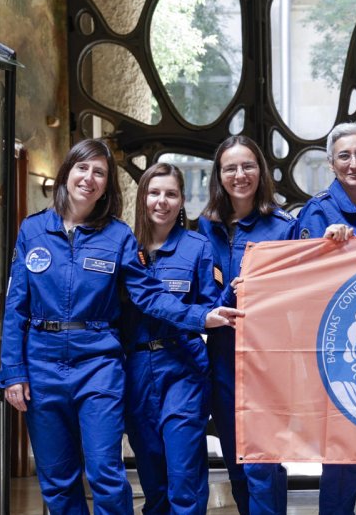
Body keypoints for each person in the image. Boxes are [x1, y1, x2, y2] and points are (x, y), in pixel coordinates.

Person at [0, 139, 241, 515]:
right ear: (66, 173)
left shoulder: (118, 236)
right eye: (82, 168)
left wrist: (200, 318)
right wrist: (13, 372)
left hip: (98, 363)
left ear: (107, 185)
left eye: (99, 172)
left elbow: (148, 295)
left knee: (105, 473)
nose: (89, 178)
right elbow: (15, 307)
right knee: (57, 480)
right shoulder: (32, 231)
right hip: (42, 363)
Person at [294, 123, 356, 515]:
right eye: (345, 156)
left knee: (355, 449)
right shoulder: (318, 211)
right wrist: (324, 248)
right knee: (340, 449)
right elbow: (301, 278)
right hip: (334, 348)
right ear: (331, 164)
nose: (354, 163)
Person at [198, 136, 297, 515]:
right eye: (230, 168)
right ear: (219, 175)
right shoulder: (205, 227)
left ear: (261, 171)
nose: (240, 175)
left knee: (262, 464)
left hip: (267, 359)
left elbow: (300, 293)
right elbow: (204, 296)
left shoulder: (283, 227)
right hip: (222, 358)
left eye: (248, 166)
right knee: (237, 464)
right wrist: (231, 294)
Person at [123, 162, 229, 515]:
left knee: (184, 475)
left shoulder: (197, 247)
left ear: (182, 200)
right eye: (154, 193)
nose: (162, 201)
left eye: (171, 194)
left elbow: (211, 307)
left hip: (183, 366)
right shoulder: (125, 248)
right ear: (142, 197)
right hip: (137, 369)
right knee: (152, 477)